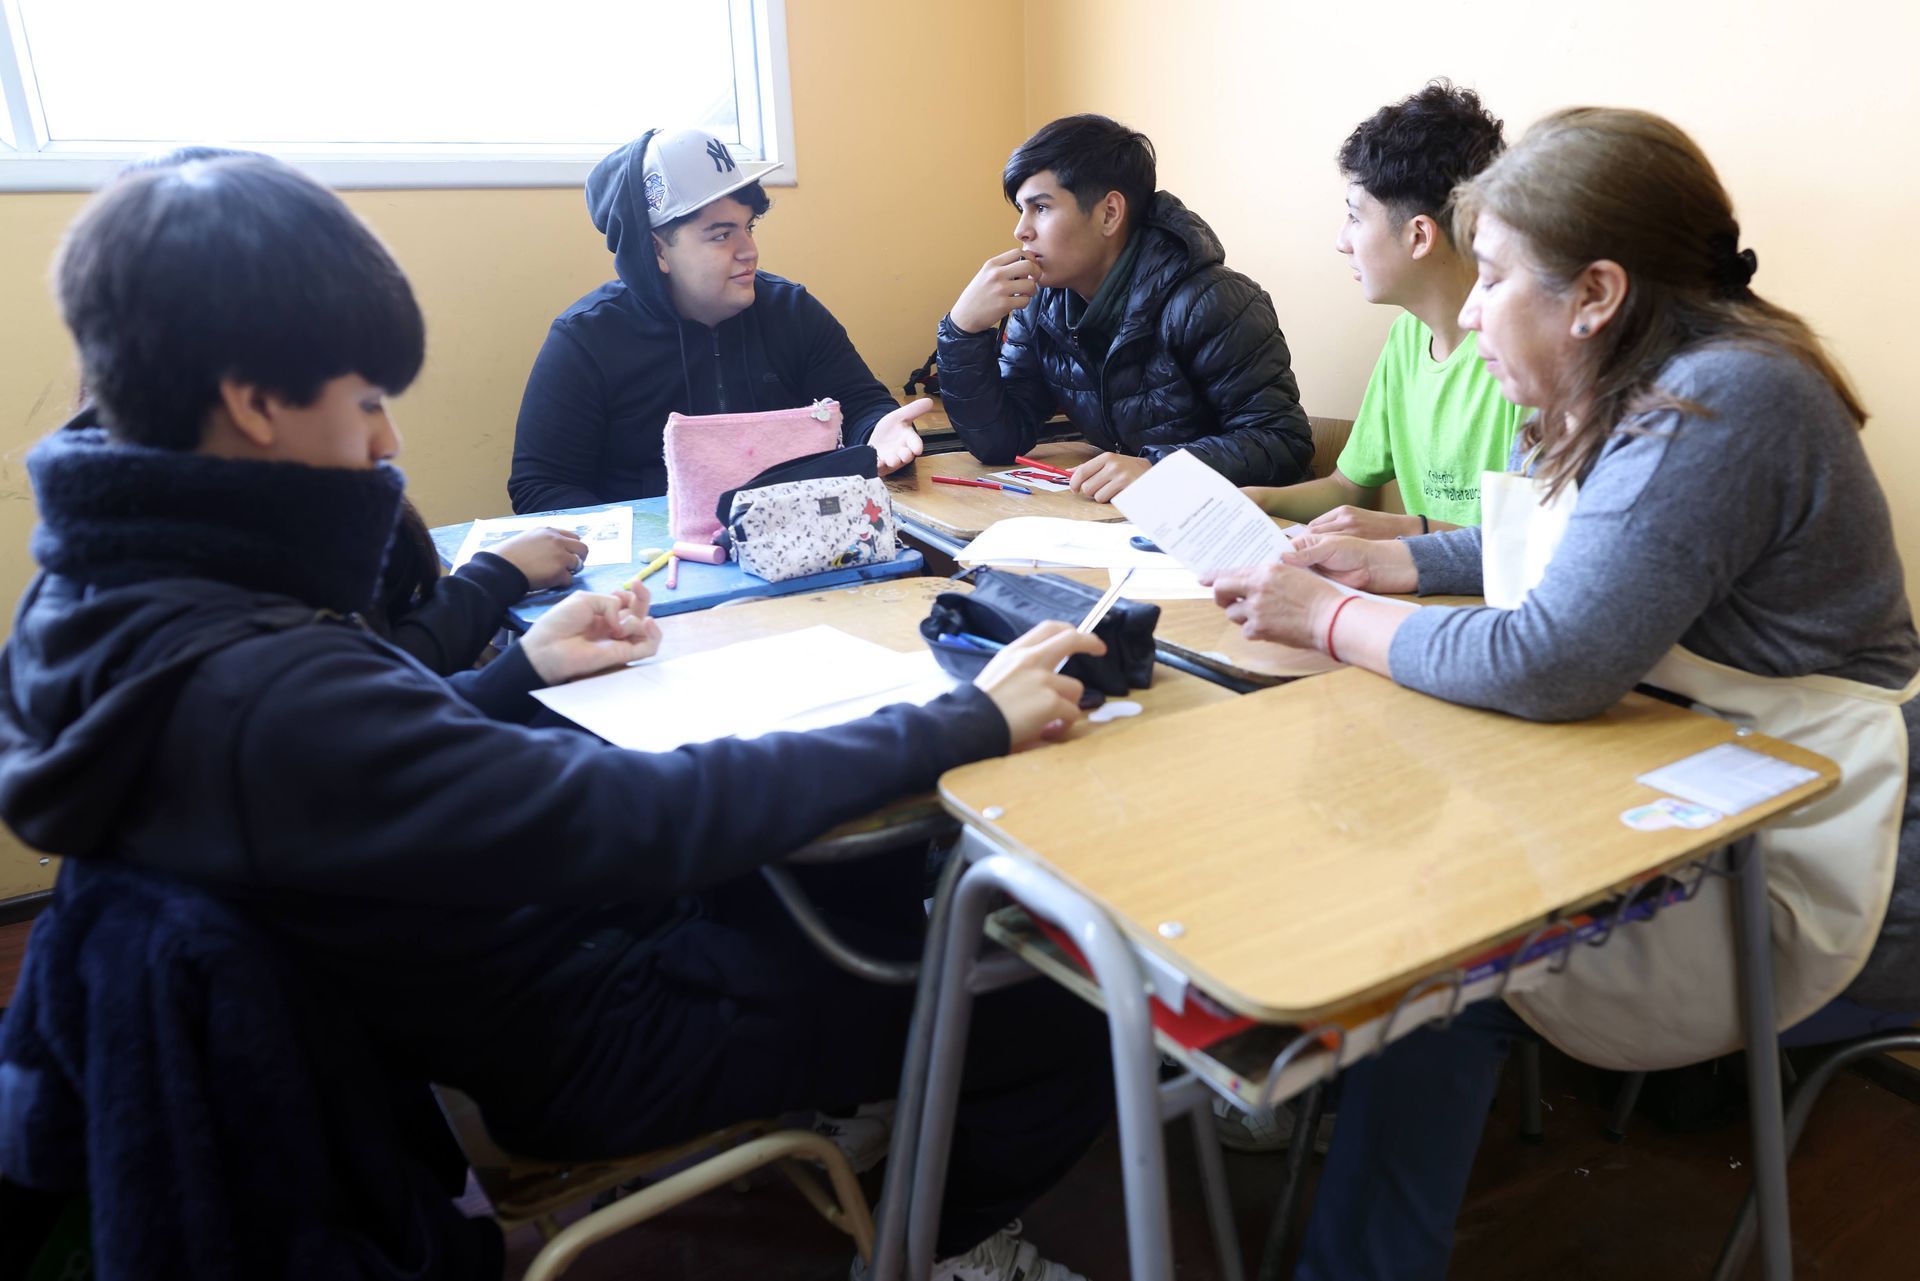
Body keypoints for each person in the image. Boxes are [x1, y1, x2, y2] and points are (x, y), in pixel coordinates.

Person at [0, 155, 1112, 1281]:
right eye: (369, 402)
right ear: (251, 402)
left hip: (485, 972)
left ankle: (866, 1106)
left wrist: (518, 663)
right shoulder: (257, 695)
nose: (387, 446)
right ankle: (940, 1245)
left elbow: (367, 755)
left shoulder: (101, 606)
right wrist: (963, 720)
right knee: (1052, 1012)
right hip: (573, 1029)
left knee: (836, 875)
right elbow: (641, 814)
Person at [1208, 107, 1920, 1279]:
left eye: (1490, 278)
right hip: (1685, 760)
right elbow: (1587, 552)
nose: (1473, 308)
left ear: (1593, 292)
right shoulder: (1666, 372)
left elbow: (1550, 656)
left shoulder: (1726, 402)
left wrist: (1332, 616)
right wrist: (1395, 561)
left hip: (1804, 836)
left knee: (1439, 952)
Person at [509, 128, 931, 514]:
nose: (749, 250)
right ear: (657, 251)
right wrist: (657, 538)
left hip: (789, 544)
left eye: (748, 228)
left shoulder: (792, 310)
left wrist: (879, 430)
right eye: (721, 234)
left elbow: (861, 404)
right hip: (655, 573)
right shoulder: (587, 338)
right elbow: (541, 486)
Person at [936, 113, 1314, 502]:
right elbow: (999, 441)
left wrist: (1156, 468)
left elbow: (1282, 442)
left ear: (1109, 213)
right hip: (1132, 520)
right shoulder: (1041, 306)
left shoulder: (1212, 301)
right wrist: (962, 331)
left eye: (1042, 208)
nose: (1021, 231)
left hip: (1235, 527)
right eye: (1021, 210)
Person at [1245, 82, 1527, 538]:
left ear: (1419, 235)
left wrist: (1404, 532)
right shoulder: (1407, 337)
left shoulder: (1526, 352)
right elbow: (1346, 488)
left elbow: (1525, 544)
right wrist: (1256, 499)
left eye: (1355, 217)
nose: (1342, 241)